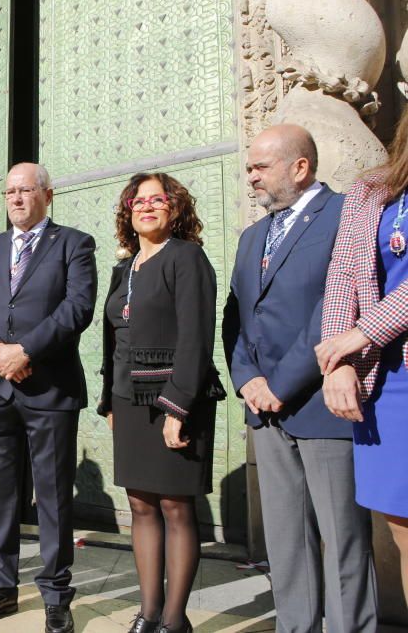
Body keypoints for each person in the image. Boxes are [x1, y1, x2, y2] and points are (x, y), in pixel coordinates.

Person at [224, 124, 378, 633]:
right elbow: (238, 317)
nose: (250, 178)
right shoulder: (252, 237)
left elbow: (334, 310)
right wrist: (247, 380)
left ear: (300, 167)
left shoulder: (343, 217)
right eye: (248, 168)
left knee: (342, 537)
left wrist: (281, 384)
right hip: (264, 412)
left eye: (259, 167)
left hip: (322, 403)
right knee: (286, 540)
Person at [0, 162, 96, 633]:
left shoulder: (74, 244)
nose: (16, 198)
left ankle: (56, 593)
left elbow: (77, 308)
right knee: (0, 495)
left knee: (53, 496)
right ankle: (1, 588)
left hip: (49, 388)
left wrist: (26, 350)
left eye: (26, 190)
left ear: (47, 195)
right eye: (10, 192)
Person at [100, 173, 221, 633]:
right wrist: (110, 401)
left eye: (158, 199)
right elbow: (116, 339)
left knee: (175, 506)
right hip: (129, 401)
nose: (146, 206)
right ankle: (148, 614)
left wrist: (178, 406)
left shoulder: (187, 258)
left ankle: (174, 620)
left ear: (175, 208)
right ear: (128, 211)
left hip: (175, 397)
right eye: (138, 200)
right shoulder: (123, 268)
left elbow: (196, 338)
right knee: (141, 506)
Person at [316, 108, 408, 609]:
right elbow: (343, 278)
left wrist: (361, 332)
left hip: (376, 340)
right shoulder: (372, 189)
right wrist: (340, 362)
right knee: (401, 525)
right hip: (387, 381)